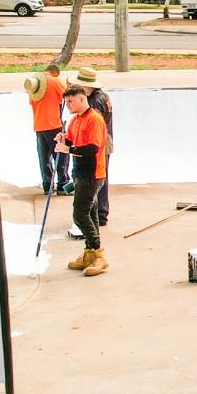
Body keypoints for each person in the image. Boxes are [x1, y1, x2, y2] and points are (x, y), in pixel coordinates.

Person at [55, 86, 110, 276]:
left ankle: (97, 253)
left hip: (92, 173)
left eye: (70, 101)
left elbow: (91, 149)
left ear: (81, 99)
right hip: (79, 171)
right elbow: (72, 141)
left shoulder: (94, 119)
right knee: (91, 213)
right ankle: (90, 252)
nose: (67, 105)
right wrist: (63, 140)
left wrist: (68, 150)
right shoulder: (75, 120)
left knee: (80, 215)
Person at [72, 66, 114, 227]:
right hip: (106, 140)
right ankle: (99, 212)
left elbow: (93, 124)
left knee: (96, 177)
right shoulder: (103, 96)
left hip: (99, 143)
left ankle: (99, 213)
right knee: (100, 176)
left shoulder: (94, 101)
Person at [25, 64, 70, 196]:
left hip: (39, 125)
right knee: (61, 154)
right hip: (54, 124)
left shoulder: (34, 84)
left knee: (44, 158)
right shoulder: (55, 81)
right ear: (55, 73)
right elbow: (68, 95)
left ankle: (47, 186)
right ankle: (63, 185)